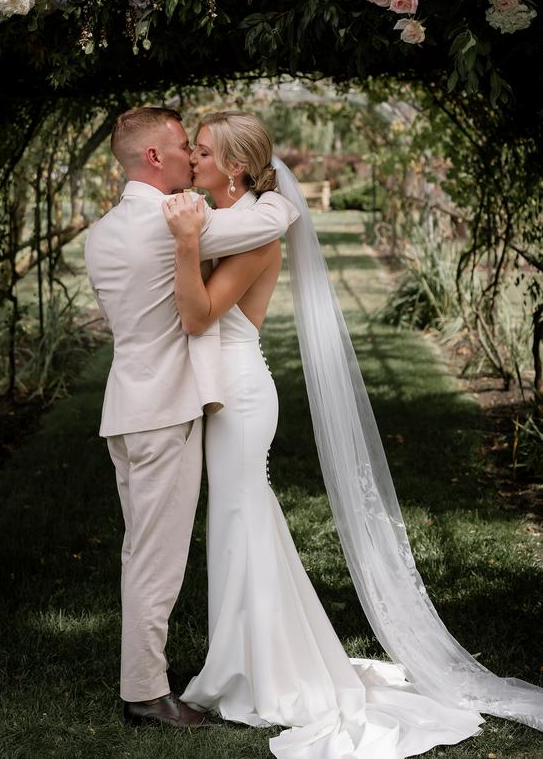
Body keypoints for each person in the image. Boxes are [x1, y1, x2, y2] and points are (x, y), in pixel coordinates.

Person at [163, 111, 543, 758]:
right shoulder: (230, 219)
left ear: (234, 167)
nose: (191, 160)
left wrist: (180, 242)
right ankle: (246, 661)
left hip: (241, 396)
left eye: (201, 151)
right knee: (241, 525)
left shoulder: (257, 232)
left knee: (240, 522)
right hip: (224, 392)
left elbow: (199, 316)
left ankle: (252, 674)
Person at [84, 106, 299, 728]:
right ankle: (146, 694)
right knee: (157, 558)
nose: (191, 156)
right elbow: (270, 218)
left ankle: (144, 679)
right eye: (184, 146)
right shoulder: (179, 221)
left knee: (139, 550)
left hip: (125, 406)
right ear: (155, 157)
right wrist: (274, 185)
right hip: (166, 411)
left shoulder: (103, 231)